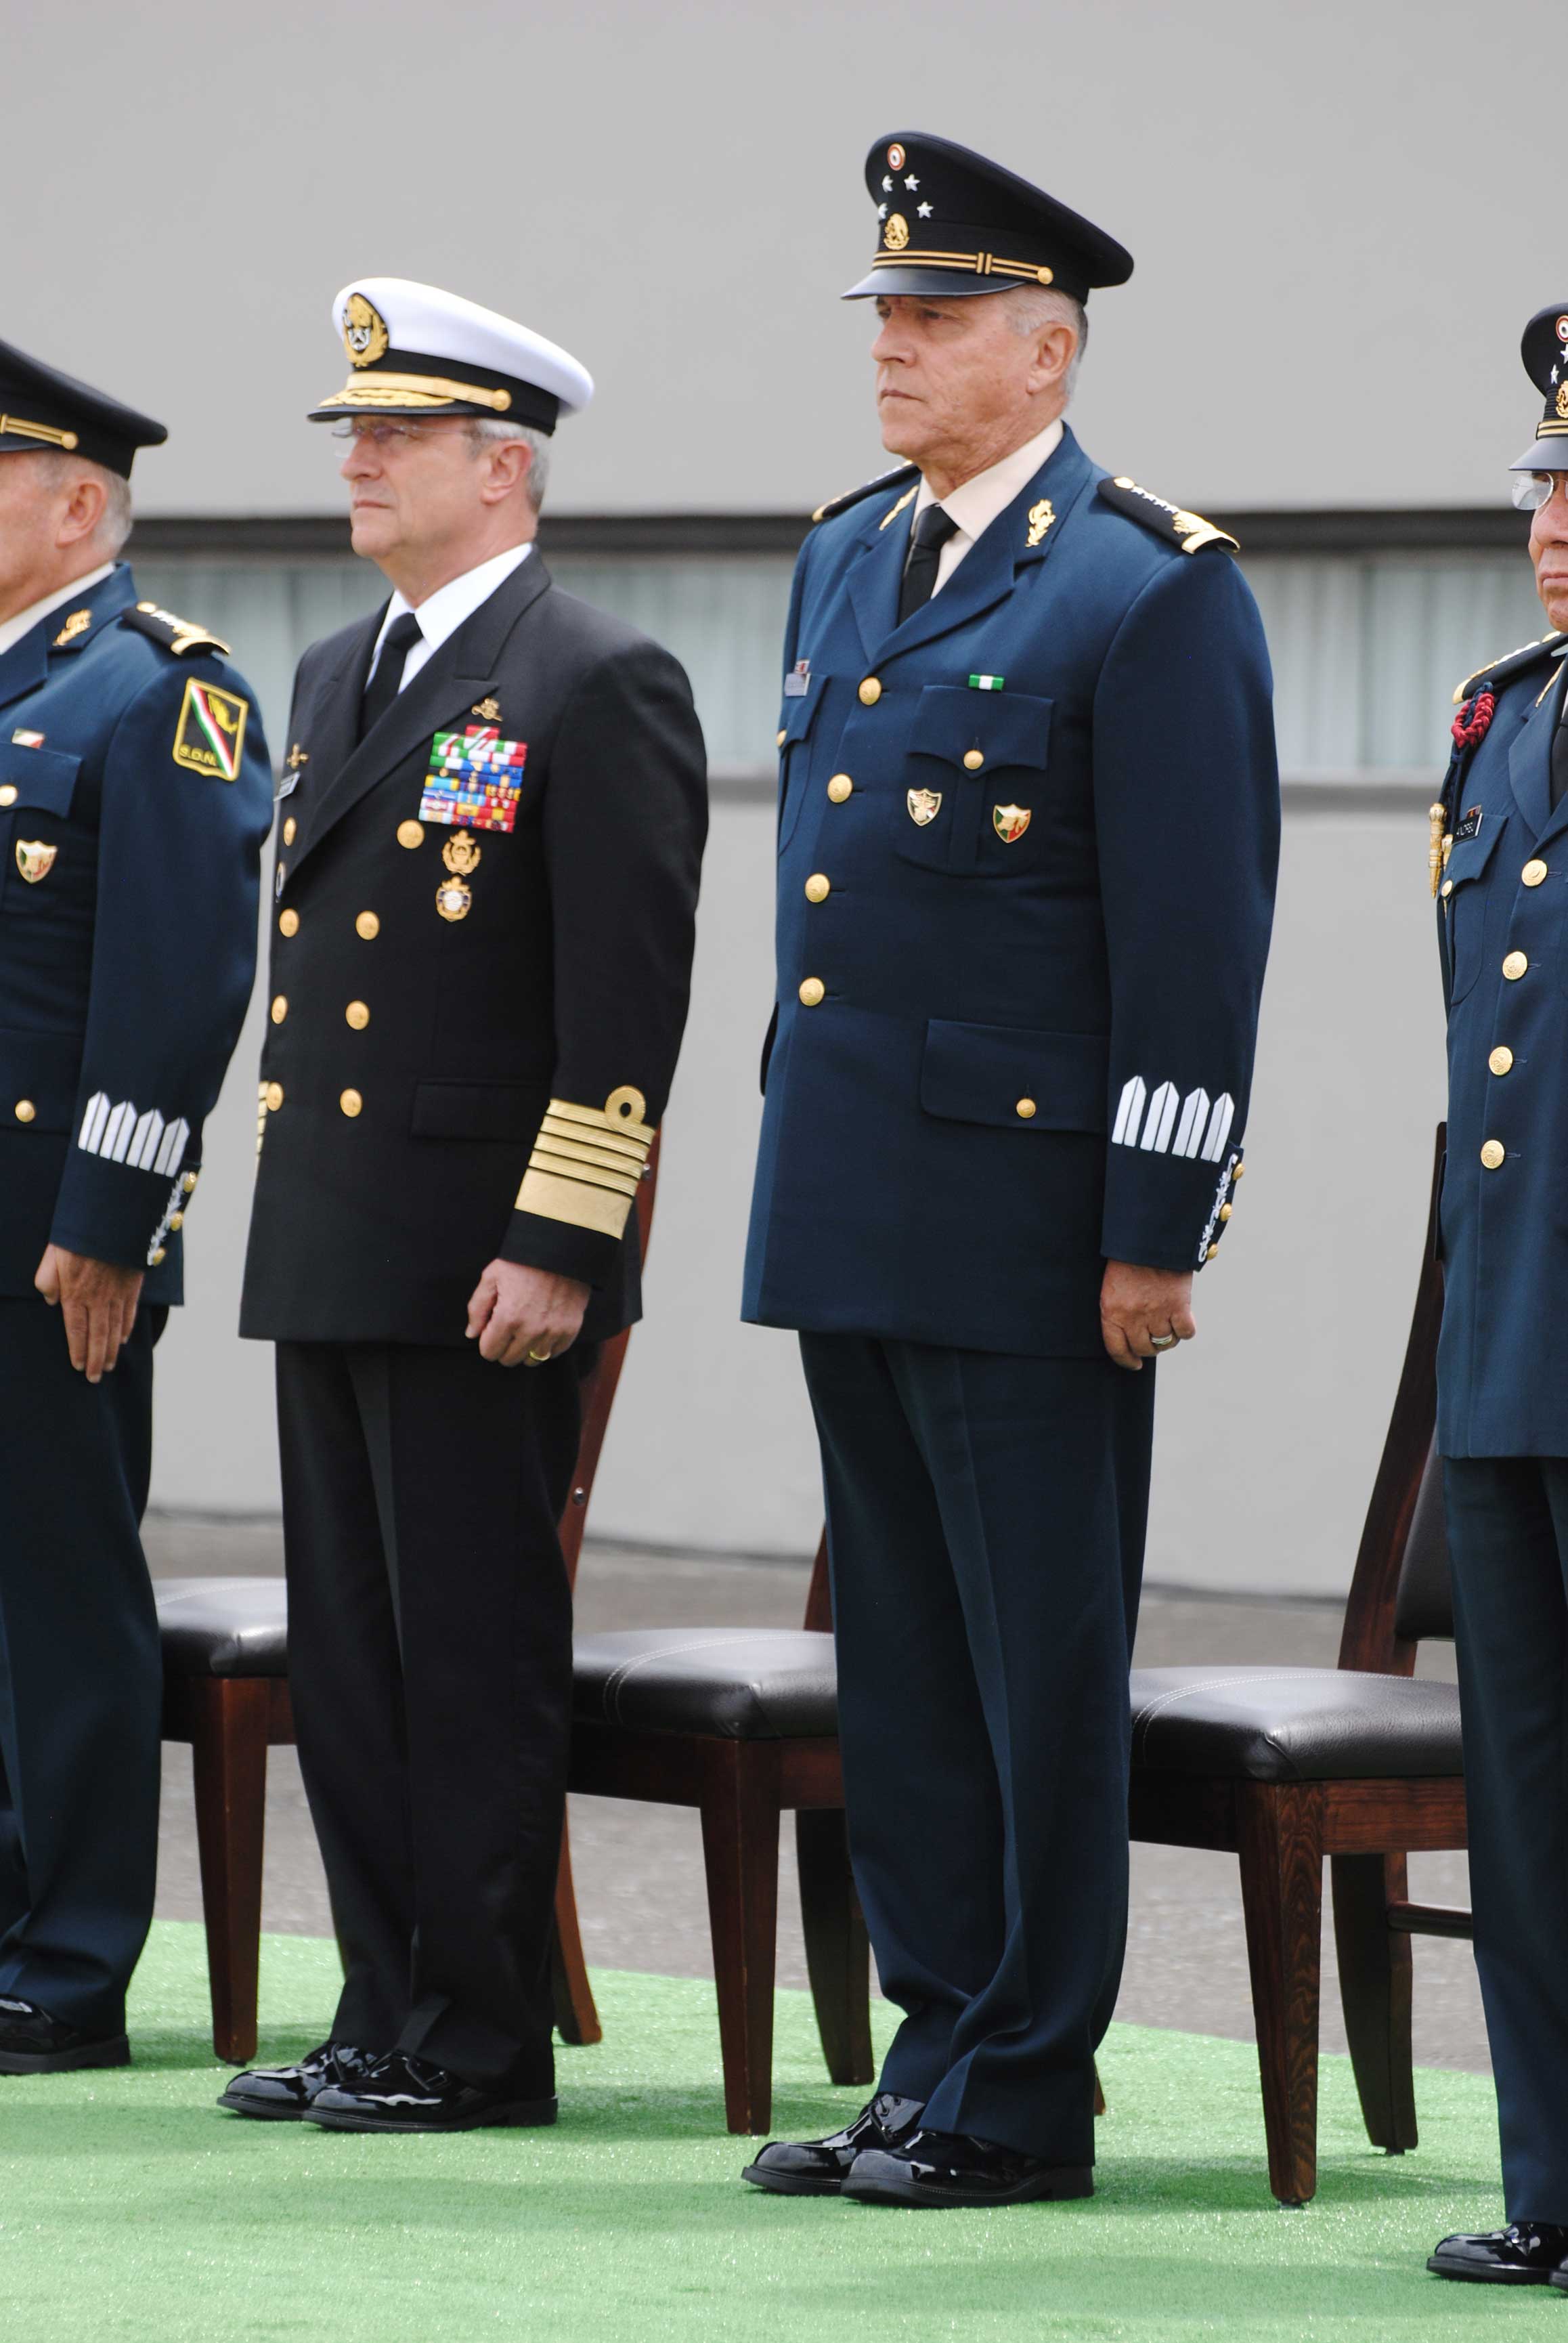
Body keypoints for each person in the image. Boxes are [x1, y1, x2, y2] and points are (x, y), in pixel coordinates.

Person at [741, 132, 1279, 2208]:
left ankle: (1027, 2089)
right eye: (885, 315)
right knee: (902, 1652)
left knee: (1031, 1657)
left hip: (1034, 1217)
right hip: (854, 1192)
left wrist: (1154, 1228)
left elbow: (1192, 941)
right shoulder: (845, 552)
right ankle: (930, 2044)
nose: (894, 349)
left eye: (938, 319)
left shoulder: (1147, 584)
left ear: (1045, 353)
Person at [223, 279, 706, 2133]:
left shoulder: (594, 679)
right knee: (350, 1649)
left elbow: (622, 999)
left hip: (484, 1254)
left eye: (395, 434)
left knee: (474, 1653)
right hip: (339, 1232)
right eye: (356, 431)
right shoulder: (341, 671)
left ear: (501, 469)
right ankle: (378, 2004)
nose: (359, 458)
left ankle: (480, 2036)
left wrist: (566, 1237)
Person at [0, 341, 271, 2076]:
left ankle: (68, 1961)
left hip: (51, 1238)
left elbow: (176, 990)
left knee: (56, 1588)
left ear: (77, 501)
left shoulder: (161, 692)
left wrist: (112, 1220)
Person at [1425, 307, 1568, 2289]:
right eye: (1544, 487)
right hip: (1511, 1336)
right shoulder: (1499, 718)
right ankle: (1551, 2178)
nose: (1553, 522)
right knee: (1526, 1800)